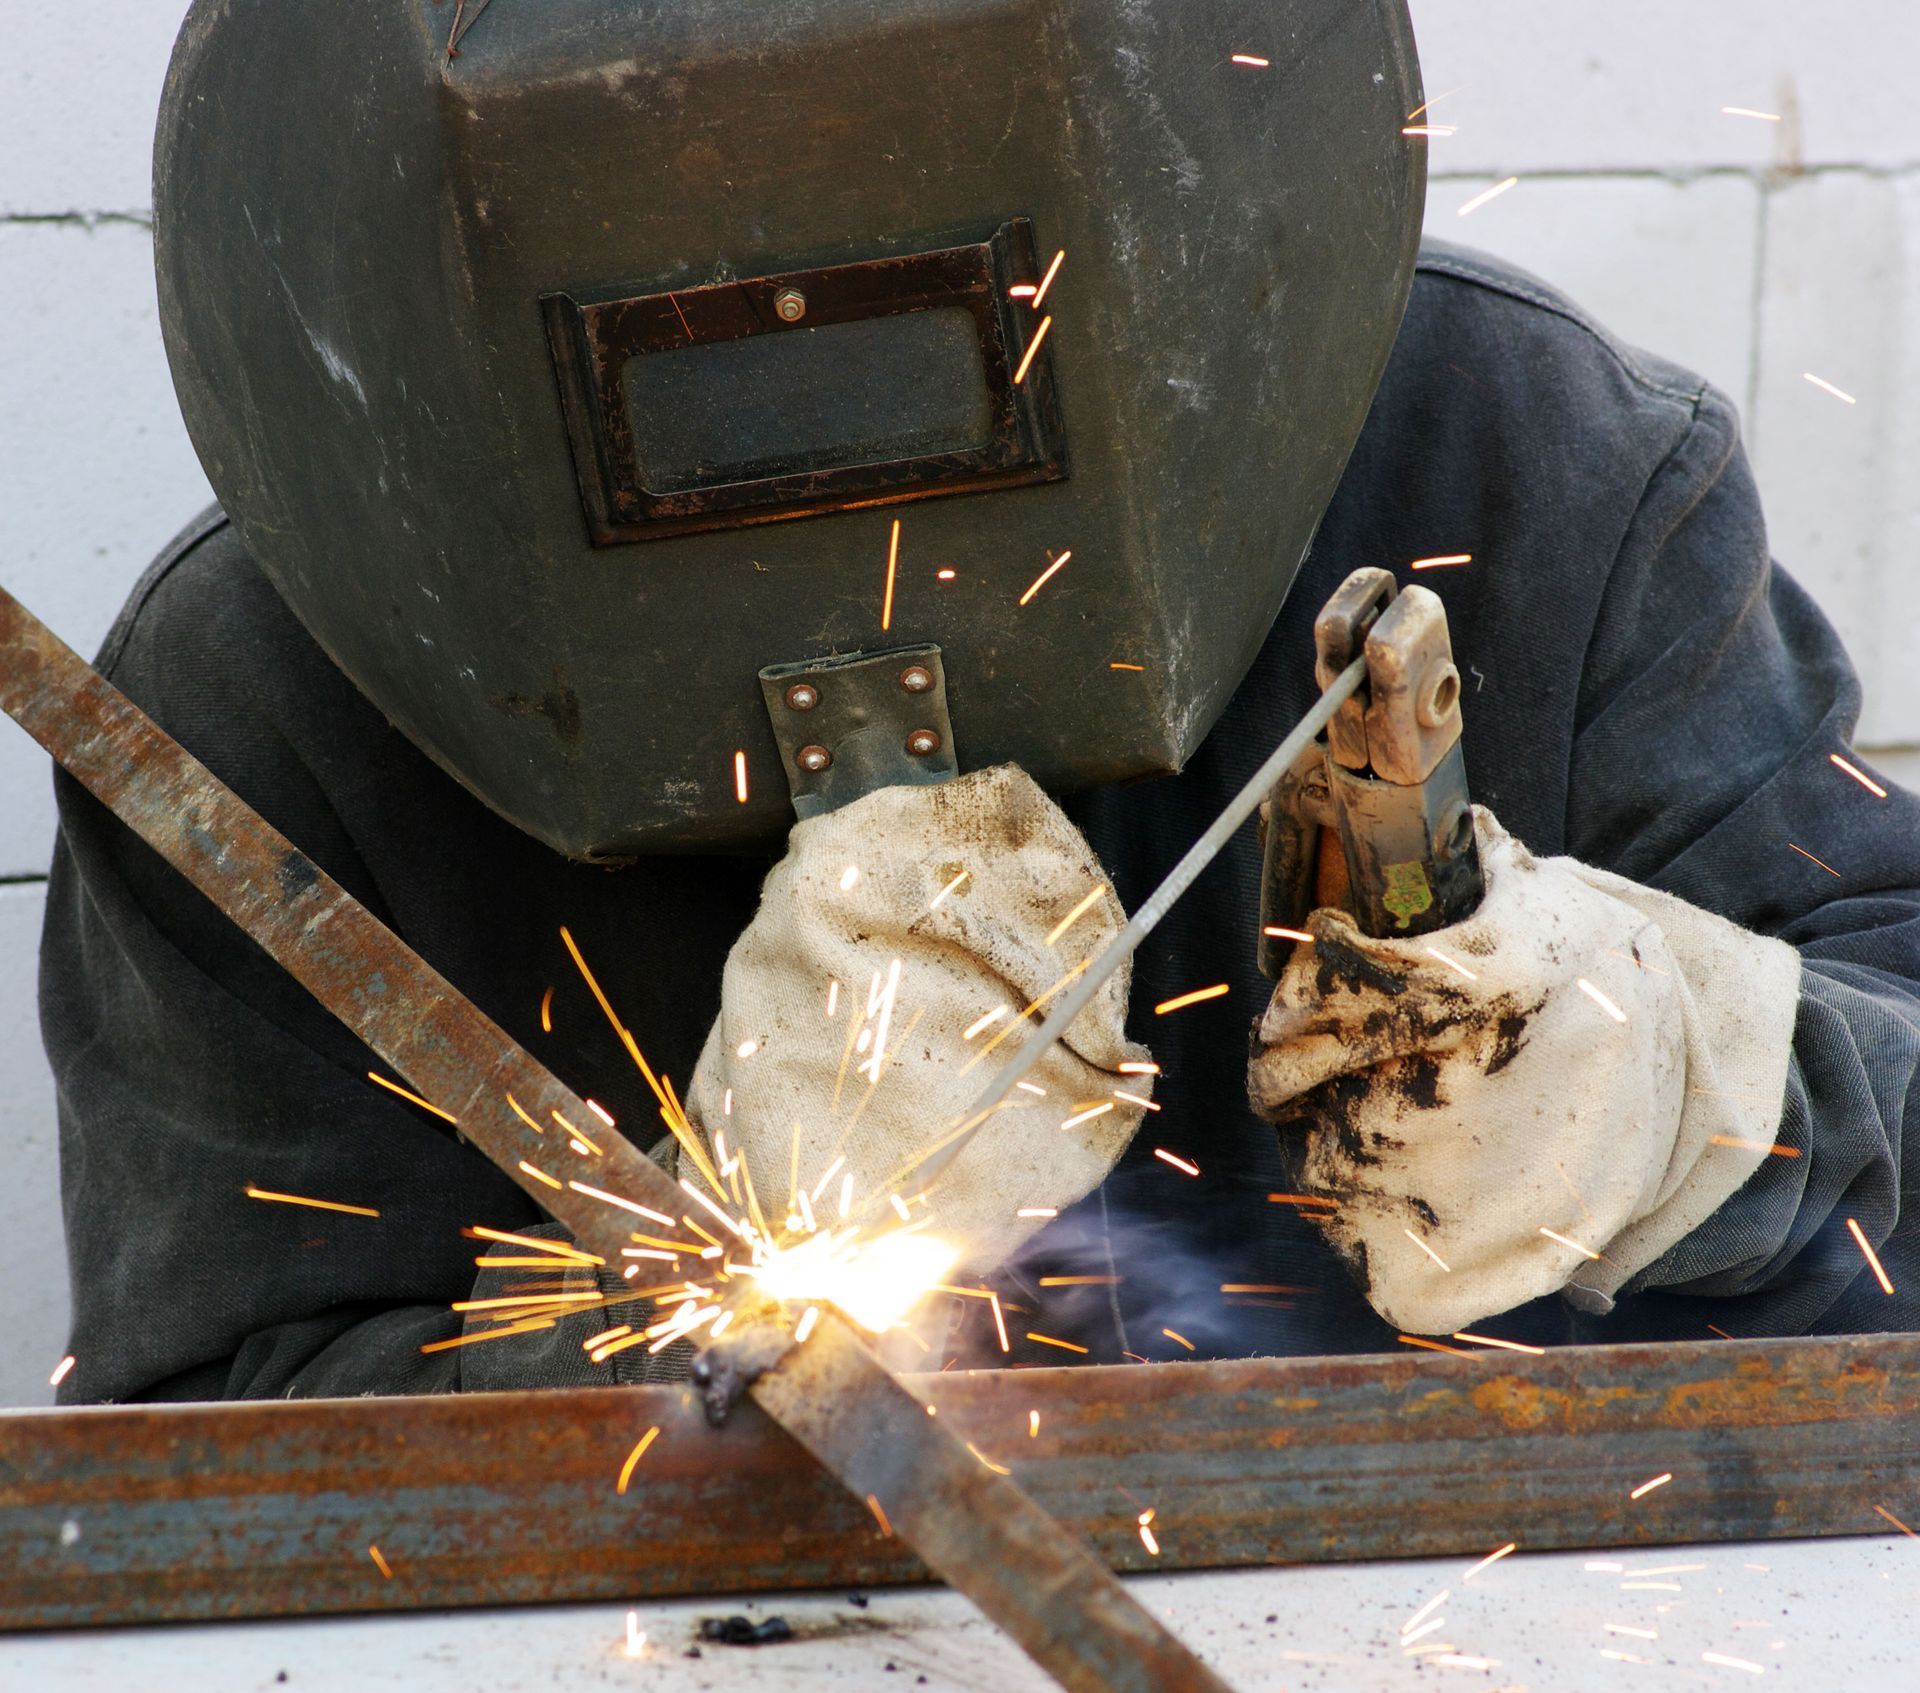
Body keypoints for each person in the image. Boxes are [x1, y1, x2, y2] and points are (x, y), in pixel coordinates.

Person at [42, 2, 1920, 1403]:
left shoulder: (1532, 473)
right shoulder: (280, 686)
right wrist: (682, 1332)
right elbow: (213, 1437)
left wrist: (1698, 1107)